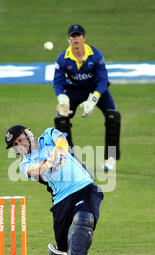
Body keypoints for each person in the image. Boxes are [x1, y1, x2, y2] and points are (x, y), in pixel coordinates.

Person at [5, 124, 104, 255]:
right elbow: (34, 170)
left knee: (81, 225)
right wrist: (48, 164)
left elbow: (62, 142)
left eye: (20, 140)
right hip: (60, 201)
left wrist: (57, 153)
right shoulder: (24, 163)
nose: (19, 145)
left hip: (83, 187)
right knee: (62, 251)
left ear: (28, 134)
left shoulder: (47, 135)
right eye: (15, 145)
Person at [53, 24, 121, 171]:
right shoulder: (62, 58)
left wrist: (94, 98)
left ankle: (111, 157)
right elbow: (58, 81)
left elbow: (103, 80)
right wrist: (61, 97)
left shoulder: (95, 55)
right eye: (73, 36)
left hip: (95, 89)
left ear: (84, 38)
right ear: (68, 39)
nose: (76, 39)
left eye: (78, 36)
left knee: (112, 116)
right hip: (74, 90)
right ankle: (69, 157)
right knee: (61, 119)